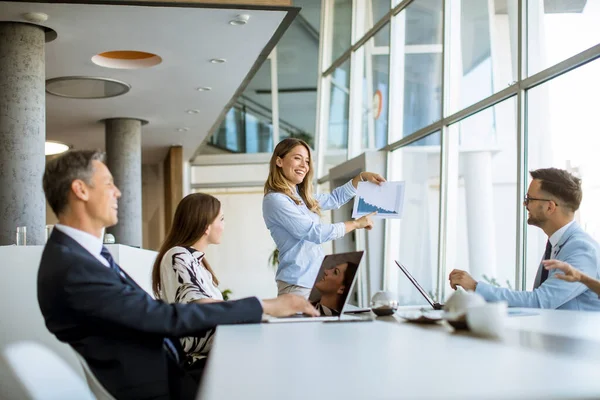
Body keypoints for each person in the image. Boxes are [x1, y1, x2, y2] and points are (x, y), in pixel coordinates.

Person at [38, 150, 318, 400]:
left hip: (169, 371)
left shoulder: (81, 255)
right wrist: (265, 306)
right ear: (80, 190)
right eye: (109, 183)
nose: (118, 192)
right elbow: (161, 317)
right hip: (164, 384)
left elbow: (149, 313)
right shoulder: (72, 266)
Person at [449, 168, 600, 310]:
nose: (525, 204)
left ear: (550, 207)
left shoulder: (581, 249)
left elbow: (540, 301)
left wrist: (476, 287)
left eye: (530, 199)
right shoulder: (558, 244)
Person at [263, 138, 385, 298]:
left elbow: (334, 199)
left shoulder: (300, 197)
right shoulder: (276, 199)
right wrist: (355, 224)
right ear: (279, 161)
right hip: (297, 284)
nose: (304, 166)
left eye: (307, 161)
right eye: (297, 158)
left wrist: (361, 178)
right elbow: (314, 233)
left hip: (314, 281)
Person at [150, 192, 230, 371]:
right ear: (206, 226)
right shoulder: (178, 255)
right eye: (222, 219)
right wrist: (252, 310)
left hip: (208, 359)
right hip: (195, 365)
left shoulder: (196, 262)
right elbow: (201, 306)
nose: (224, 225)